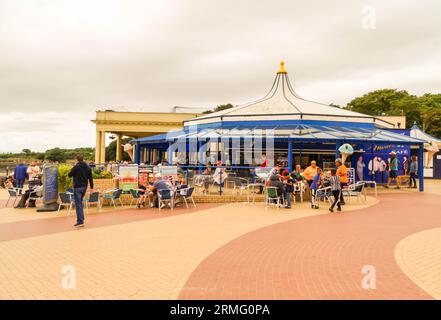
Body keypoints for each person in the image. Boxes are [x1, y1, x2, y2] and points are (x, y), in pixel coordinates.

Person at [68, 154, 94, 228]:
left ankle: (80, 221)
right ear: (83, 159)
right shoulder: (88, 167)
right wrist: (92, 188)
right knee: (80, 203)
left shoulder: (76, 167)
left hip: (77, 188)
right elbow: (90, 179)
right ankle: (81, 219)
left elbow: (69, 175)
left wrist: (74, 167)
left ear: (77, 160)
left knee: (78, 204)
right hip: (84, 188)